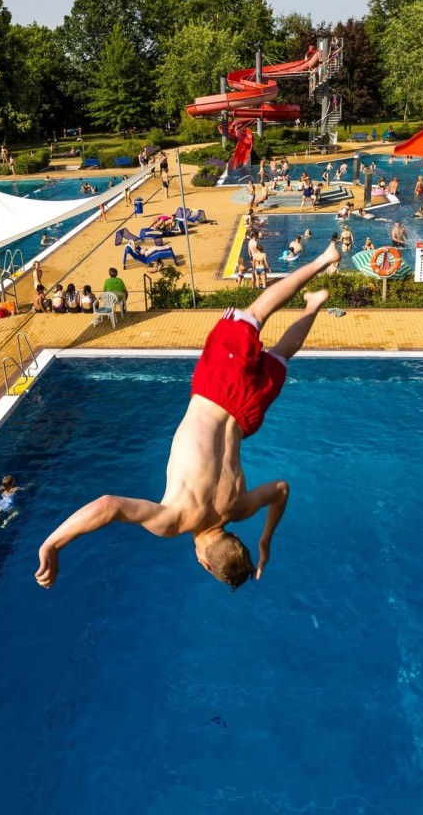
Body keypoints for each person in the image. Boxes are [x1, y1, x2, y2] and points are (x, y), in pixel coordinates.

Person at [36, 243, 343, 591]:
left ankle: (314, 304)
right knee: (255, 313)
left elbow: (281, 490)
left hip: (247, 417)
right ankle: (323, 260)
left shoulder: (240, 509)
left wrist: (266, 539)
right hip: (217, 391)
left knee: (282, 353)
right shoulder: (176, 519)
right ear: (203, 561)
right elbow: (108, 506)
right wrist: (52, 544)